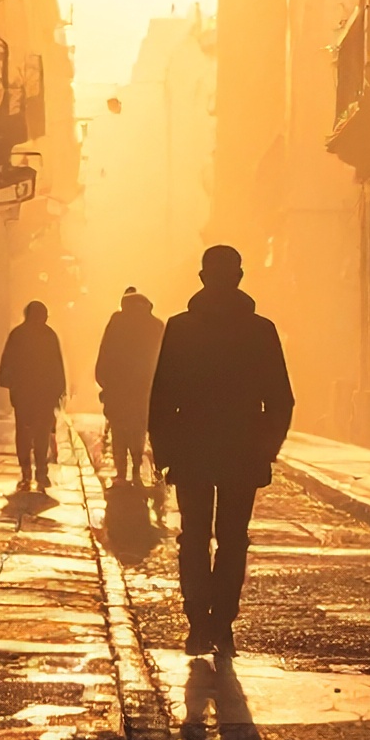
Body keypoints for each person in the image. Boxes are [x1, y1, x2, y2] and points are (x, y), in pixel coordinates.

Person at [148, 245, 294, 655]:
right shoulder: (260, 329)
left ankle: (198, 623)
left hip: (192, 448)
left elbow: (162, 396)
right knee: (233, 540)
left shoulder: (180, 327)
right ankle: (222, 625)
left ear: (201, 278)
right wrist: (266, 448)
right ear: (240, 278)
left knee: (193, 537)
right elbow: (281, 399)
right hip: (241, 449)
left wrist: (164, 452)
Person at [93, 288, 166, 485]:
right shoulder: (156, 325)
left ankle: (121, 471)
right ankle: (135, 467)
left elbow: (105, 352)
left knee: (119, 430)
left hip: (118, 388)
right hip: (144, 390)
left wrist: (103, 379)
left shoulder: (117, 323)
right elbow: (164, 358)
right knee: (138, 429)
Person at [0, 300, 67, 491]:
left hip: (23, 393)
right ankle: (40, 471)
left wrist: (7, 380)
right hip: (42, 394)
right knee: (41, 433)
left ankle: (26, 470)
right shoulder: (49, 335)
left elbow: (7, 361)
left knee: (25, 432)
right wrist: (59, 389)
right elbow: (57, 365)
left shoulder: (18, 334)